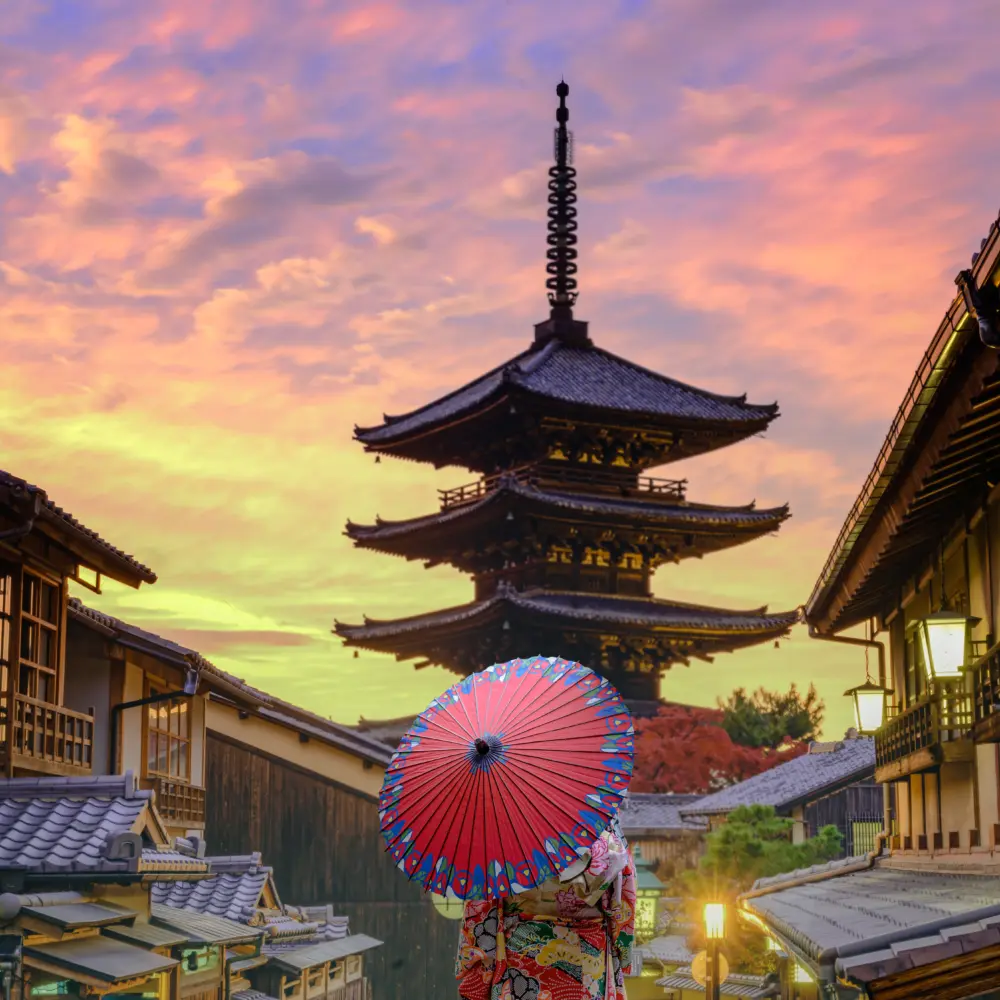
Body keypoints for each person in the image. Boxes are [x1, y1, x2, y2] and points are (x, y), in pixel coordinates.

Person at [455, 818, 635, 1000]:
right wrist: (623, 949)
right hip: (587, 956)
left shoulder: (504, 822)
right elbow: (623, 896)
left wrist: (478, 958)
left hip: (521, 954)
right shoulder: (599, 814)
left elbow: (481, 901)